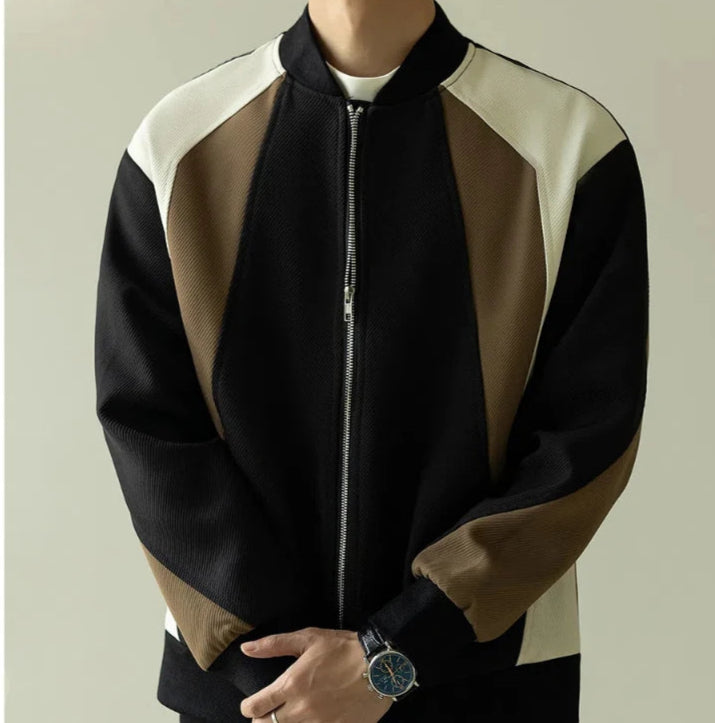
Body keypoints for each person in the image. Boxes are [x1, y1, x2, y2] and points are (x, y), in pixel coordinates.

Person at [93, 1, 649, 721]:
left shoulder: (570, 144)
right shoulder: (177, 141)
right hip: (251, 693)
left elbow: (588, 438)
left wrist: (397, 653)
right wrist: (285, 670)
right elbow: (147, 423)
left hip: (484, 682)